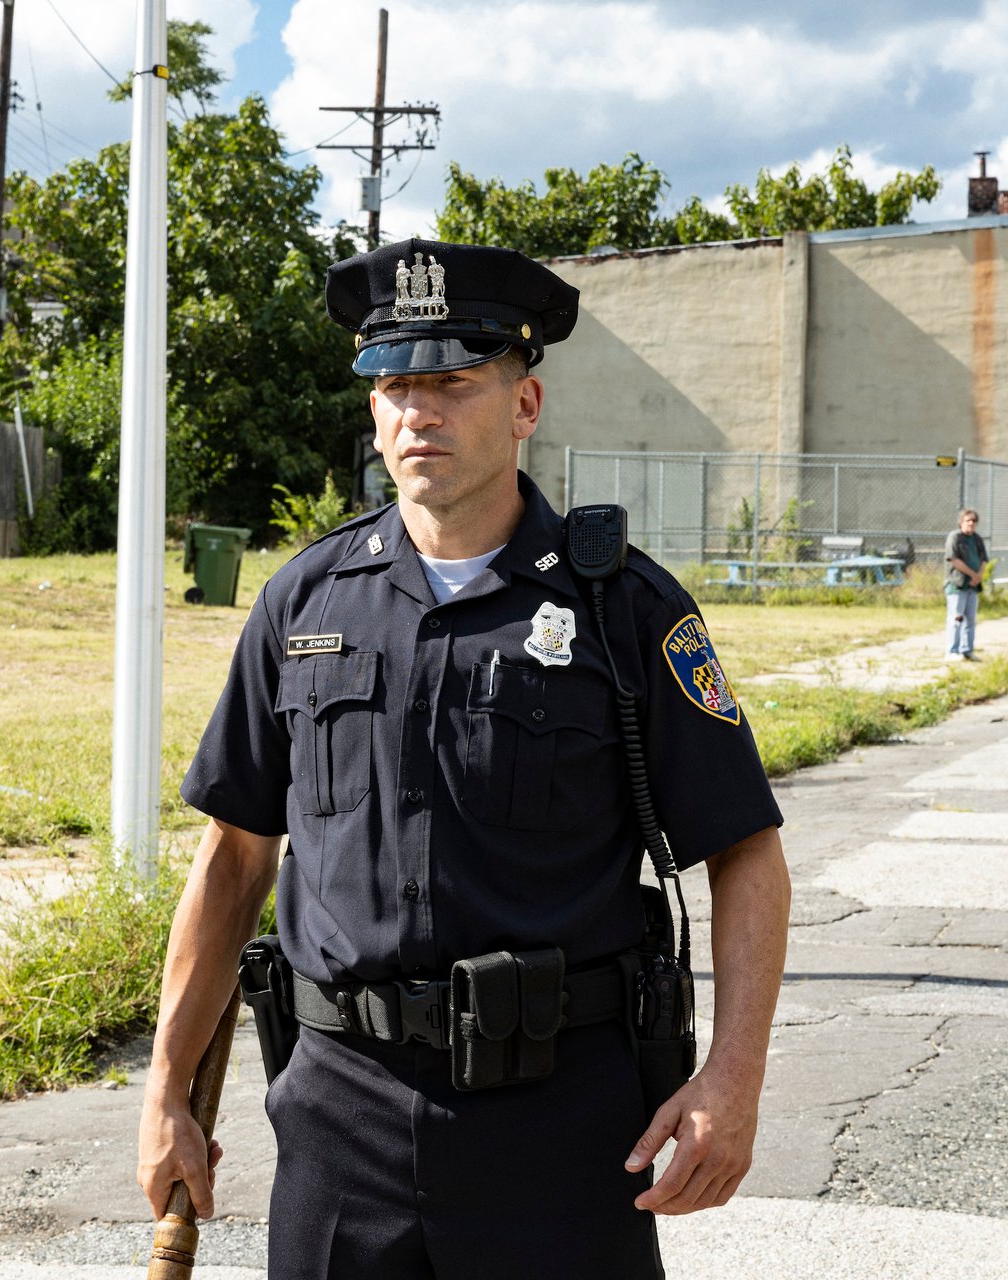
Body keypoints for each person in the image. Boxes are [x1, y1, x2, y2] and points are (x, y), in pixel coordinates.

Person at [137, 237, 791, 1280]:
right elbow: (232, 858)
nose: (418, 412)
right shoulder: (304, 604)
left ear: (524, 405)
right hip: (338, 1113)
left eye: (451, 380)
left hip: (560, 1127)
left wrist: (733, 1076)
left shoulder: (622, 608)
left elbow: (747, 852)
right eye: (394, 384)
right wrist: (166, 1087)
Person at [945, 508, 988, 659]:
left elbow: (984, 560)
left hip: (973, 586)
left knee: (970, 620)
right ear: (961, 522)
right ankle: (952, 651)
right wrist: (972, 574)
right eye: (967, 520)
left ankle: (967, 650)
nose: (971, 523)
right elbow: (954, 559)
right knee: (956, 618)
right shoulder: (955, 537)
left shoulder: (977, 539)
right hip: (958, 585)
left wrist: (979, 576)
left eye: (974, 521)